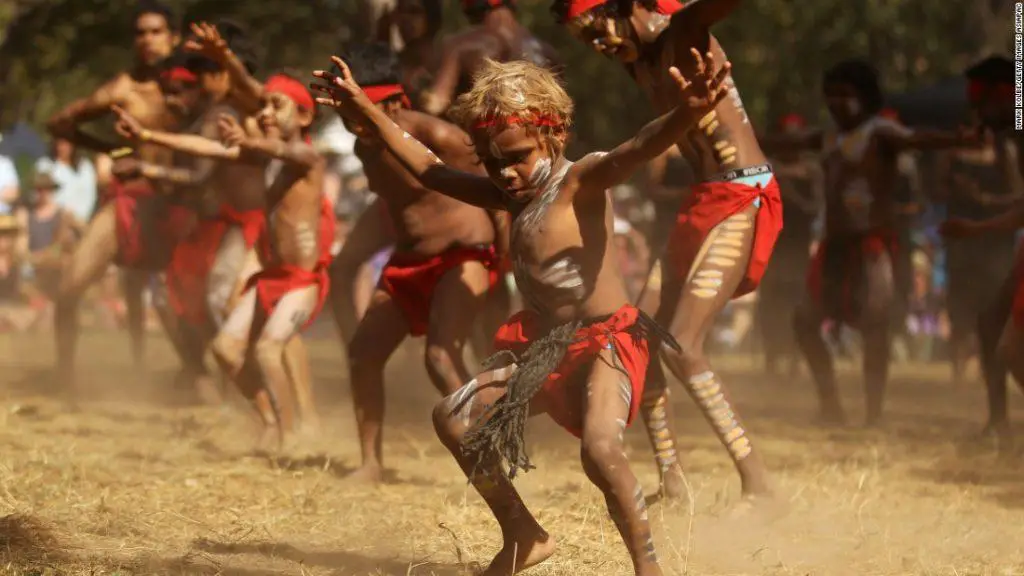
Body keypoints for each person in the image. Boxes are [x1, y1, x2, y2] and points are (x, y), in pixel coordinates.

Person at [314, 46, 728, 575]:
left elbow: (638, 147)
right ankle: (523, 533)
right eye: (490, 162)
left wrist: (687, 114)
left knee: (601, 452)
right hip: (546, 347)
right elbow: (430, 169)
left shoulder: (582, 180)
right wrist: (365, 109)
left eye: (516, 157)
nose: (504, 173)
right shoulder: (511, 197)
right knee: (453, 417)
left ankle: (650, 570)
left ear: (552, 136)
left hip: (607, 342)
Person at [553, 0, 781, 500]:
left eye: (598, 29)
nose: (600, 46)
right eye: (587, 41)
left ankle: (757, 482)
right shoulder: (639, 63)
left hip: (743, 195)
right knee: (641, 336)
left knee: (682, 343)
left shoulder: (683, 32)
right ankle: (673, 481)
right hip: (702, 198)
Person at [324, 43, 502, 483]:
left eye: (362, 111)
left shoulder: (441, 138)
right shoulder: (364, 143)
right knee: (363, 355)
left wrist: (513, 262)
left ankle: (489, 462)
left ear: (396, 103)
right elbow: (394, 202)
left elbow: (500, 195)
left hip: (465, 256)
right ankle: (371, 462)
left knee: (441, 357)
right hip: (408, 263)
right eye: (347, 114)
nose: (354, 123)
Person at [762, 60, 975, 426]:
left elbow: (917, 139)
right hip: (834, 247)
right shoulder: (828, 137)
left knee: (876, 326)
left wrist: (959, 138)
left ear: (864, 97)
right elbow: (781, 142)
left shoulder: (881, 133)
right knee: (805, 322)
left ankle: (873, 414)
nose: (836, 103)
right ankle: (830, 404)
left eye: (845, 95)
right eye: (831, 95)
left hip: (872, 246)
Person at [44, 0, 183, 394]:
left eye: (156, 31)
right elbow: (59, 122)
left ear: (173, 37)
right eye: (140, 32)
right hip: (132, 199)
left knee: (185, 304)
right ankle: (65, 376)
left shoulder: (193, 86)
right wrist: (111, 150)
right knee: (69, 288)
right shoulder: (123, 88)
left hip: (185, 200)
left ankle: (202, 374)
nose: (147, 40)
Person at [941, 55, 1022, 443]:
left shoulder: (1015, 139)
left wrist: (981, 213)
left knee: (1004, 338)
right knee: (990, 326)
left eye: (983, 102)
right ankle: (999, 421)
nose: (978, 112)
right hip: (983, 244)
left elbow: (1019, 202)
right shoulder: (1009, 135)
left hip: (1000, 245)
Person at [758, 112, 822, 377]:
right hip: (772, 245)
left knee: (798, 303)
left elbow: (815, 207)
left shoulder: (811, 171)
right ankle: (772, 359)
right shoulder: (766, 168)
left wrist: (792, 194)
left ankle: (796, 360)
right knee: (771, 303)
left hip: (798, 246)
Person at [419, 0, 558, 116]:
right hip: (537, 141)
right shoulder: (547, 51)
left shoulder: (461, 45)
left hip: (481, 142)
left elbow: (435, 104)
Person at [35, 137, 98, 225]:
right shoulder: (46, 165)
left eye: (66, 144)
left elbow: (90, 196)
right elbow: (41, 195)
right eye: (60, 143)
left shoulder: (85, 167)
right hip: (54, 221)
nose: (62, 148)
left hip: (81, 221)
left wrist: (79, 218)